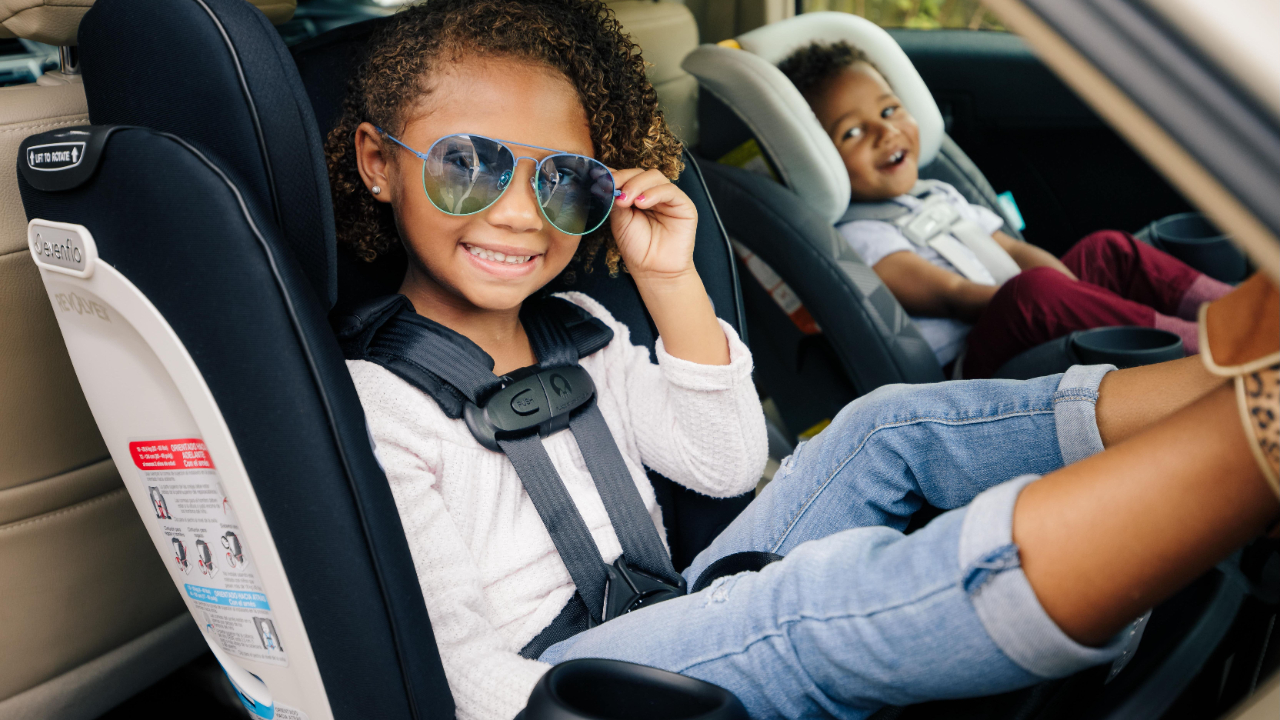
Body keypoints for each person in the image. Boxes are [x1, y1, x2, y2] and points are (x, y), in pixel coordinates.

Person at [326, 2, 1279, 719]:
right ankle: (1246, 448)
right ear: (377, 162)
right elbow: (462, 672)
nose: (518, 212)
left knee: (883, 426)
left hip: (675, 602)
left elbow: (724, 464)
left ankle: (1218, 380)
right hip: (569, 687)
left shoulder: (582, 325)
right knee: (804, 605)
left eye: (561, 180)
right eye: (468, 165)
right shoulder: (377, 404)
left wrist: (670, 283)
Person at [777, 41, 1235, 378]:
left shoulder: (937, 194)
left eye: (890, 110)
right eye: (852, 133)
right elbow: (954, 293)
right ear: (818, 160)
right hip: (977, 362)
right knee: (1031, 292)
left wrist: (1069, 290)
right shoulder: (857, 237)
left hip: (1022, 311)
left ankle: (1232, 311)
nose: (886, 132)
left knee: (1106, 248)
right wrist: (1053, 293)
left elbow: (1011, 249)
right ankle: (1207, 348)